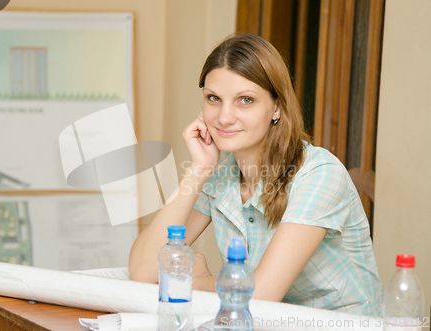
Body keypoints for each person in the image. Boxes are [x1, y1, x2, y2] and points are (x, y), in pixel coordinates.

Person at [128, 33, 383, 317]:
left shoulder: (320, 174)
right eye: (214, 98)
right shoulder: (220, 172)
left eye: (245, 100)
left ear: (276, 107)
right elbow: (143, 269)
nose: (224, 117)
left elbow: (261, 293)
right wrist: (198, 170)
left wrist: (193, 280)